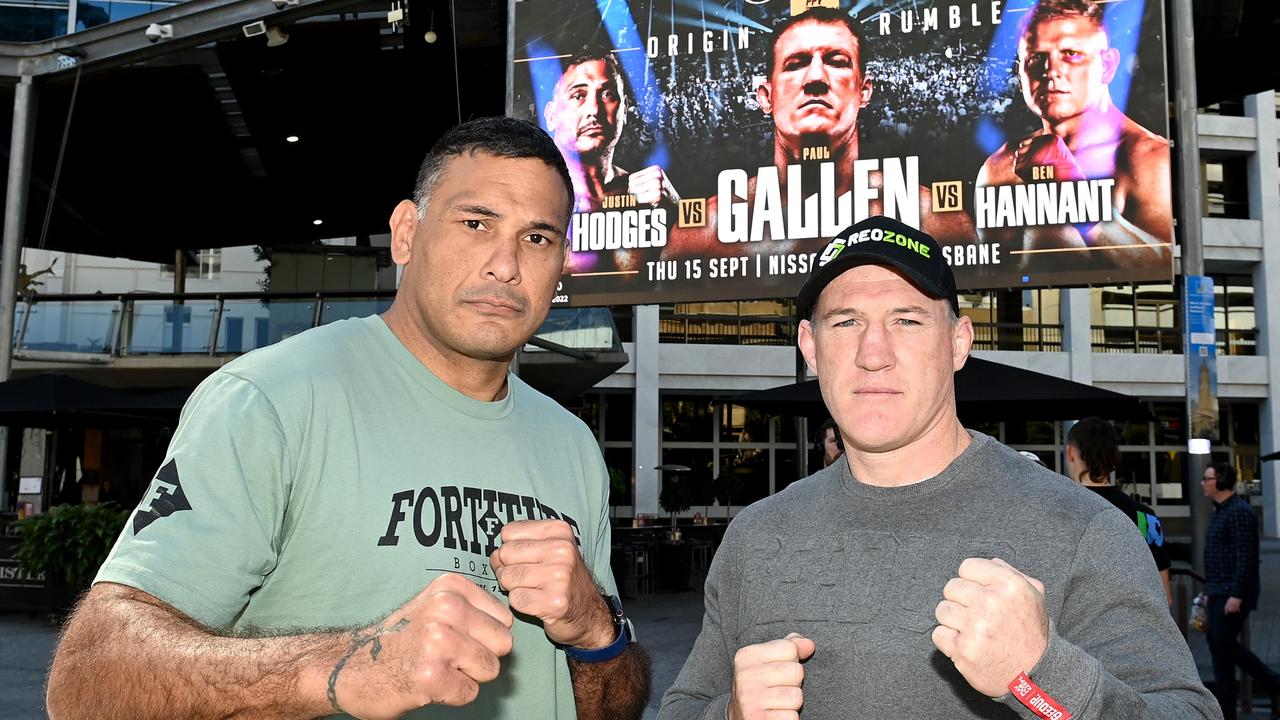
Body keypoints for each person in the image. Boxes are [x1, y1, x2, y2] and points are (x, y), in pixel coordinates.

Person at [45, 117, 651, 720]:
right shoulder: (272, 399)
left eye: (537, 238)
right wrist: (341, 668)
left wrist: (596, 631)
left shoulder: (571, 444)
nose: (506, 264)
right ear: (407, 233)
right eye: (475, 223)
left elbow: (614, 709)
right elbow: (88, 680)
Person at [658, 215, 1218, 719]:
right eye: (845, 321)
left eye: (906, 320)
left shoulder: (1082, 529)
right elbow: (682, 708)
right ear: (810, 345)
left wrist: (1043, 676)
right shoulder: (755, 537)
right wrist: (728, 715)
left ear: (957, 342)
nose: (872, 351)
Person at [665, 8, 974, 260]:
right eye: (796, 64)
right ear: (765, 97)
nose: (815, 78)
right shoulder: (705, 229)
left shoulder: (932, 219)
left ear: (864, 90)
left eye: (836, 62)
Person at [975, 0, 1172, 274]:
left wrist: (1071, 192)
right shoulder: (999, 166)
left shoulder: (1151, 158)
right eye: (1036, 59)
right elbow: (992, 273)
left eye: (1070, 54)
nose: (1051, 71)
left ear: (1107, 65)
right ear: (1020, 78)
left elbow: (1163, 263)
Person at [544, 47, 679, 215]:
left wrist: (674, 210)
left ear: (624, 110)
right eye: (578, 96)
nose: (594, 109)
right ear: (551, 116)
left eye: (608, 94)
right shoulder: (532, 191)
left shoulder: (647, 193)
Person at [1202, 461, 1280, 720]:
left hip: (1231, 592)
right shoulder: (1221, 510)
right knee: (1217, 645)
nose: (1203, 483)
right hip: (1218, 590)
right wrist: (1207, 590)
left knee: (1221, 641)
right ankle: (1226, 710)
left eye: (1208, 478)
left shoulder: (1238, 512)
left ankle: (1273, 682)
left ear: (1221, 481)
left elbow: (1245, 557)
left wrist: (1236, 594)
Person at [1065, 416, 1172, 603]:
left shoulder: (1059, 512)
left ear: (1071, 452)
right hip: (1135, 626)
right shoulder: (1145, 517)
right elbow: (1164, 597)